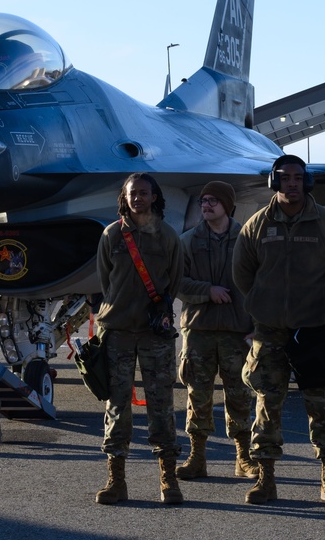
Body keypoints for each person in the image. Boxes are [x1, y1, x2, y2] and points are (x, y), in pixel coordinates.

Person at [233, 154, 325, 505]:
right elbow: (243, 274)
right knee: (266, 405)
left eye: (297, 177)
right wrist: (262, 303)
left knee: (322, 405)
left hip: (314, 330)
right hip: (269, 332)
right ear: (275, 181)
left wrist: (323, 305)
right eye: (284, 177)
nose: (291, 183)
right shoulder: (256, 225)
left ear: (307, 181)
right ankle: (266, 478)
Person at [93, 172, 184, 505]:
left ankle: (169, 480)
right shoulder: (112, 235)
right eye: (133, 193)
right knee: (117, 407)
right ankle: (116, 481)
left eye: (144, 193)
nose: (138, 198)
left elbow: (174, 280)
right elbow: (106, 281)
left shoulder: (167, 237)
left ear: (154, 197)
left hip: (154, 335)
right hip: (117, 332)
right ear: (125, 197)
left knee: (161, 406)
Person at [175, 181, 258, 481]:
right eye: (203, 200)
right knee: (198, 395)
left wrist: (257, 328)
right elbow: (176, 282)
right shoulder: (187, 241)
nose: (206, 205)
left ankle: (243, 457)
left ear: (227, 204)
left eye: (213, 200)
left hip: (238, 330)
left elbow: (260, 285)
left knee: (239, 395)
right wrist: (206, 290)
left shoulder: (247, 239)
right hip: (199, 330)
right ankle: (197, 457)